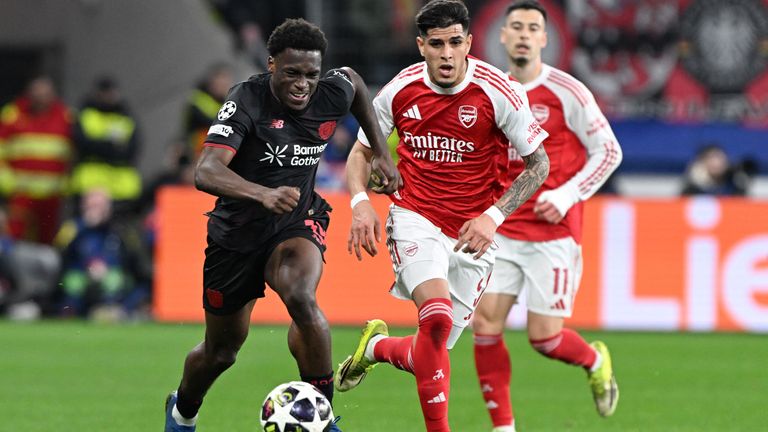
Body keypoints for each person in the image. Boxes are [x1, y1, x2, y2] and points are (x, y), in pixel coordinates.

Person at [163, 18, 400, 432]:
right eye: (292, 73)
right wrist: (262, 193)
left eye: (311, 74)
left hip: (297, 220)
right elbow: (206, 171)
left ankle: (322, 420)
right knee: (222, 352)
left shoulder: (332, 90)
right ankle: (182, 411)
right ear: (271, 64)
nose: (303, 84)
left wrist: (380, 151)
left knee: (301, 297)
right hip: (235, 236)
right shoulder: (246, 100)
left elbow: (356, 84)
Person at [334, 1, 550, 431]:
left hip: (474, 234)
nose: (447, 54)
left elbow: (539, 164)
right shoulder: (400, 89)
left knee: (429, 353)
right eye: (436, 44)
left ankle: (376, 348)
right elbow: (360, 153)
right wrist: (360, 203)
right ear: (421, 46)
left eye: (455, 43)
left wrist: (493, 217)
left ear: (469, 42)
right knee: (434, 317)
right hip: (416, 216)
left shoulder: (498, 91)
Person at [471, 2, 623, 431]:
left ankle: (594, 359)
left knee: (545, 339)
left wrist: (567, 193)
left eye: (532, 28)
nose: (522, 34)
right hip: (501, 228)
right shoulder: (488, 90)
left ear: (544, 38)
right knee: (485, 323)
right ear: (502, 36)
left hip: (553, 232)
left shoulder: (568, 91)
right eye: (515, 26)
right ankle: (504, 427)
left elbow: (609, 151)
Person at [0, 75, 73, 244]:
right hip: (21, 194)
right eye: (37, 94)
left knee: (48, 240)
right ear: (29, 94)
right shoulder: (13, 115)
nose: (41, 98)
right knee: (13, 238)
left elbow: (74, 155)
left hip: (51, 196)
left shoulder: (65, 117)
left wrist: (66, 184)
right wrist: (8, 183)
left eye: (45, 94)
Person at [69, 76, 142, 213]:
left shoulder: (126, 117)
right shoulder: (86, 115)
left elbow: (133, 148)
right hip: (90, 183)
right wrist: (111, 147)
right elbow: (82, 143)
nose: (109, 97)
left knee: (121, 228)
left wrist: (100, 146)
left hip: (121, 187)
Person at [182, 62, 234, 158]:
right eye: (222, 82)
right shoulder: (198, 100)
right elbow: (214, 123)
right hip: (199, 152)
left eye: (227, 83)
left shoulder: (225, 101)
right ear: (212, 81)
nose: (226, 86)